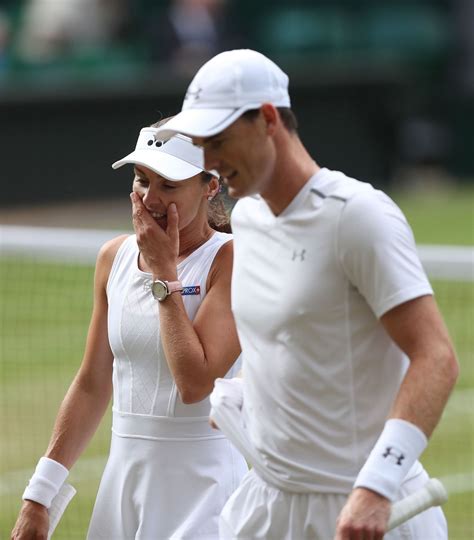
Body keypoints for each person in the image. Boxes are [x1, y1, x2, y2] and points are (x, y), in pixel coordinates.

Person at [153, 49, 459, 539]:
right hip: (270, 503)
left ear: (268, 120)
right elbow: (285, 338)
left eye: (220, 140)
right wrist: (241, 398)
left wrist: (378, 486)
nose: (208, 161)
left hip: (362, 504)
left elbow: (436, 357)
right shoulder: (247, 221)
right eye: (201, 144)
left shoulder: (357, 216)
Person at [11, 119, 248, 540]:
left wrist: (163, 274)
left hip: (205, 492)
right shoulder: (113, 258)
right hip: (123, 487)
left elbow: (195, 384)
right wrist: (39, 496)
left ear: (210, 186)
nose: (150, 198)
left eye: (169, 186)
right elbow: (91, 384)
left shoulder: (233, 260)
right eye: (142, 181)